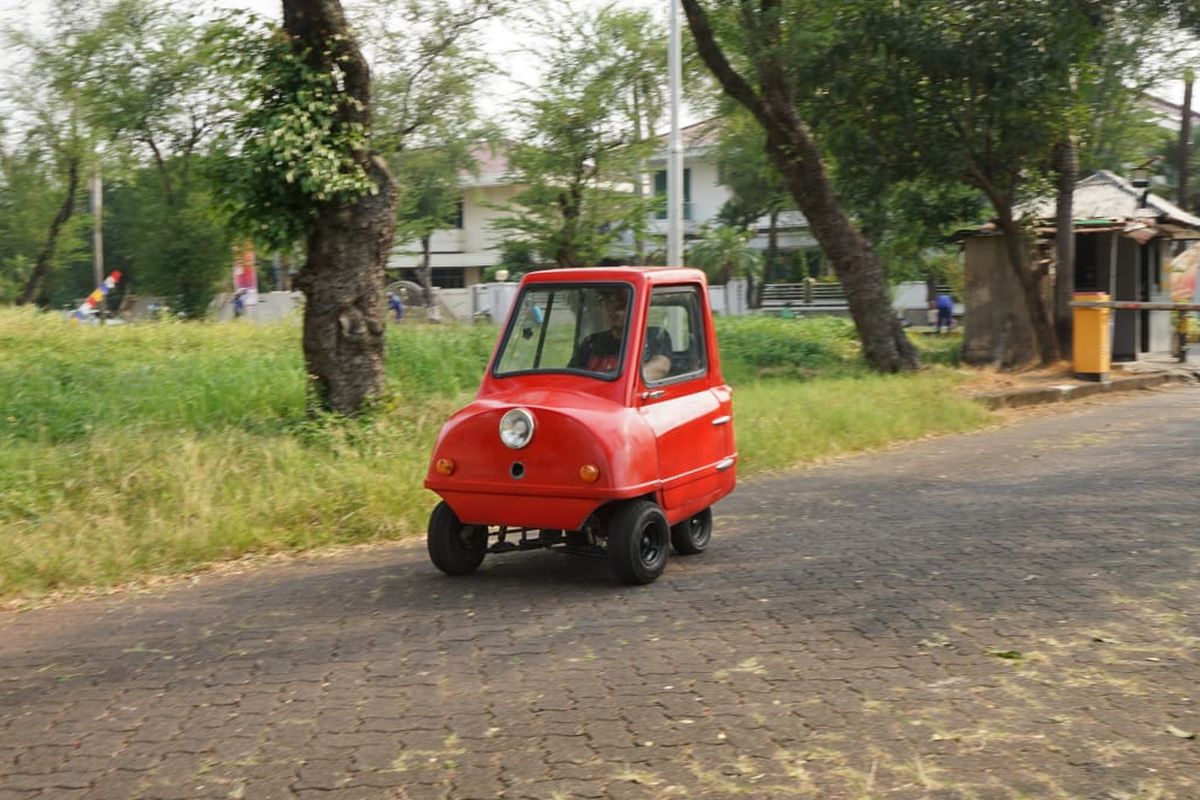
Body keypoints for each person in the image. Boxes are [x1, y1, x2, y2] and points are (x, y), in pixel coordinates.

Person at [568, 288, 671, 379]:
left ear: (634, 308)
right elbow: (570, 375)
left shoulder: (654, 336)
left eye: (619, 307)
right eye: (607, 305)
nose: (612, 312)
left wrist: (619, 381)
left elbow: (661, 366)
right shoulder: (592, 342)